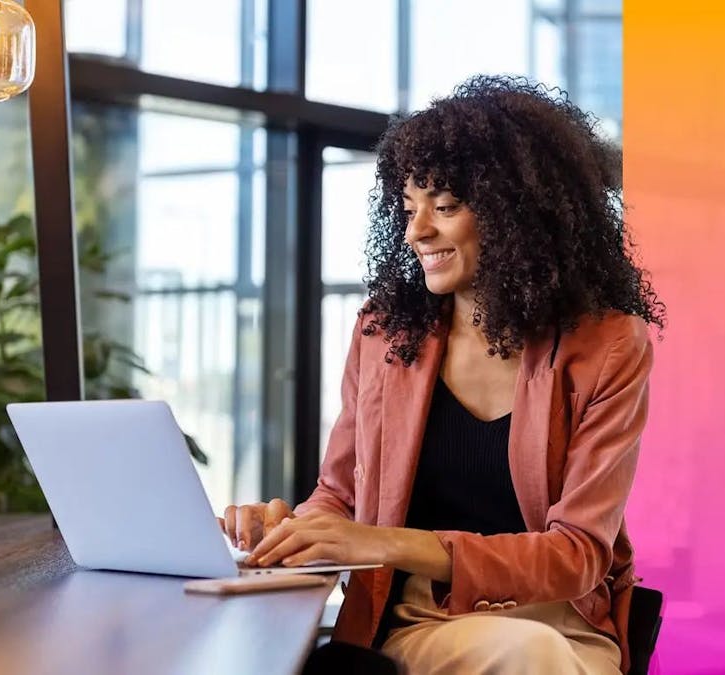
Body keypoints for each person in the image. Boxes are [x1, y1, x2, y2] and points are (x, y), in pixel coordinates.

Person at [220, 75, 664, 674]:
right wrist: (287, 528)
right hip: (417, 619)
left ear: (518, 215)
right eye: (409, 209)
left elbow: (578, 554)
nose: (416, 231)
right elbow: (340, 497)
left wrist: (384, 543)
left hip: (555, 622)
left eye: (445, 207)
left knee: (534, 655)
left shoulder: (607, 345)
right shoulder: (385, 335)